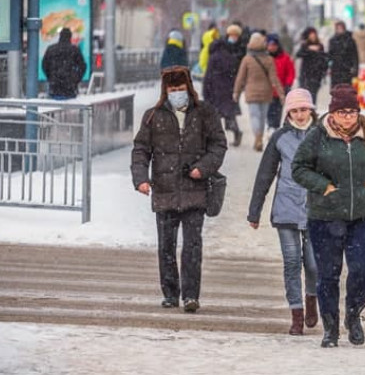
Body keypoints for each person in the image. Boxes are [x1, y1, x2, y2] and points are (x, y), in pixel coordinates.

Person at [292, 85, 365, 347]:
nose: (348, 117)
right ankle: (330, 327)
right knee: (328, 273)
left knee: (361, 269)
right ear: (333, 113)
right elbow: (299, 168)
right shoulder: (318, 135)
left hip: (363, 215)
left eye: (352, 112)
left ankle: (353, 315)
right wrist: (324, 186)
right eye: (343, 112)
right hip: (326, 216)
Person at [131, 66, 228, 313]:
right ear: (165, 90)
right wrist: (140, 178)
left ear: (189, 88)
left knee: (193, 245)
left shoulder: (205, 113)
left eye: (181, 89)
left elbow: (218, 145)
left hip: (195, 190)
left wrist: (203, 168)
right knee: (166, 245)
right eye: (172, 89)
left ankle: (191, 295)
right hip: (164, 190)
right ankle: (171, 293)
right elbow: (141, 149)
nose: (177, 93)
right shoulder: (153, 116)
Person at [248, 88, 319, 336]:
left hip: (315, 210)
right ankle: (296, 314)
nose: (300, 115)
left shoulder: (321, 135)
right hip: (286, 208)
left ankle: (312, 298)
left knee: (313, 264)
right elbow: (265, 174)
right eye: (295, 111)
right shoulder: (280, 137)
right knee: (291, 262)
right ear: (288, 112)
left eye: (304, 110)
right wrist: (254, 211)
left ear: (311, 110)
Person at [233, 32, 286, 152]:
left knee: (254, 116)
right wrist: (281, 93)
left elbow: (240, 78)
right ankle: (260, 137)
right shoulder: (269, 59)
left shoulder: (246, 59)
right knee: (262, 117)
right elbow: (274, 78)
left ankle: (257, 137)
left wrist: (236, 92)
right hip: (266, 93)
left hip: (251, 92)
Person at [203, 25, 244, 147]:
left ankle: (214, 139)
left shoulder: (213, 57)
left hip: (215, 89)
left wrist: (206, 91)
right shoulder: (231, 56)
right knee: (228, 114)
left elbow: (208, 75)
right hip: (228, 88)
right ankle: (235, 131)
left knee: (214, 115)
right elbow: (235, 72)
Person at [41, 27, 87, 100]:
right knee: (69, 108)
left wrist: (50, 77)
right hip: (69, 86)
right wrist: (76, 79)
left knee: (53, 108)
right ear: (70, 37)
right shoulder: (74, 49)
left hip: (54, 85)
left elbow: (44, 65)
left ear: (60, 36)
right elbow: (83, 66)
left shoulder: (51, 49)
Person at [266, 33, 296, 131]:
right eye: (269, 45)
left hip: (280, 90)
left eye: (274, 45)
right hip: (267, 90)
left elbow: (291, 72)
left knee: (277, 111)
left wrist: (288, 84)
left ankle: (275, 127)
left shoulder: (285, 58)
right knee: (268, 110)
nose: (271, 47)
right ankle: (270, 126)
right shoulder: (264, 58)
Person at [296, 27, 328, 104]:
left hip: (316, 75)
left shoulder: (320, 46)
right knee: (305, 96)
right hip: (306, 75)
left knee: (313, 96)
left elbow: (323, 59)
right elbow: (299, 54)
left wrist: (323, 72)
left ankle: (312, 112)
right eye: (311, 35)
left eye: (314, 35)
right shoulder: (305, 45)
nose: (313, 37)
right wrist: (309, 49)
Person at [328, 21, 359, 87]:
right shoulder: (332, 40)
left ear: (344, 28)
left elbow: (355, 56)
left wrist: (355, 69)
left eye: (341, 28)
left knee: (346, 90)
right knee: (336, 90)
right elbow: (330, 55)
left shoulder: (350, 40)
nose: (339, 30)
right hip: (336, 70)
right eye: (338, 28)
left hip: (347, 69)